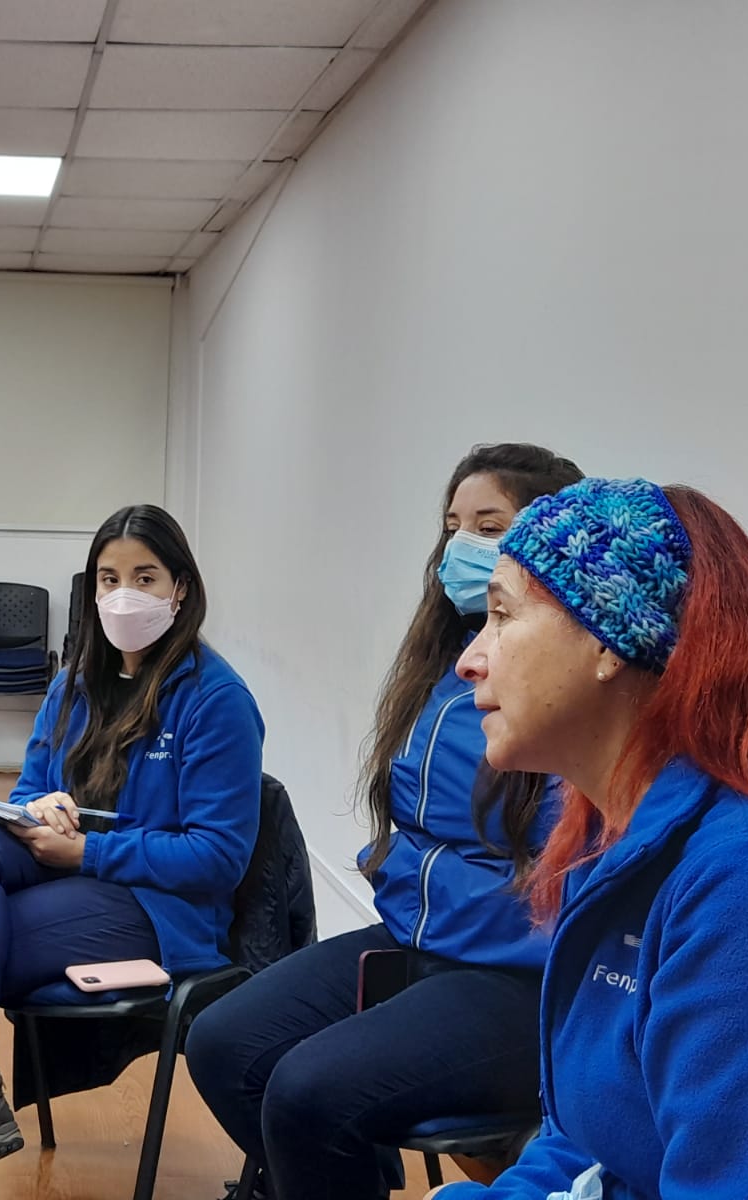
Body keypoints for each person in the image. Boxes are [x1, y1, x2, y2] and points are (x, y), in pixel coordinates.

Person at [422, 478, 748, 1200]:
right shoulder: (612, 834)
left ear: (608, 640)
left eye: (502, 616)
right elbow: (585, 1139)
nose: (469, 659)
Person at [186, 443, 584, 1200]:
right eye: (452, 527)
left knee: (307, 1092)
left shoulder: (568, 689)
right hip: (417, 940)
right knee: (222, 1043)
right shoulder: (447, 663)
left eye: (489, 526)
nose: (462, 546)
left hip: (517, 978)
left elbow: (568, 878)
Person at [0, 503, 265, 1200]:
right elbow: (27, 788)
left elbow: (217, 857)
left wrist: (89, 854)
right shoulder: (72, 681)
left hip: (159, 909)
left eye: (144, 577)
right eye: (109, 578)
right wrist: (36, 806)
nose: (124, 594)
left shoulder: (217, 698)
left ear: (181, 589)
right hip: (66, 871)